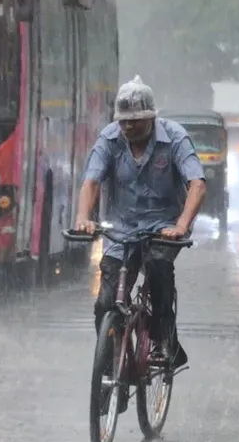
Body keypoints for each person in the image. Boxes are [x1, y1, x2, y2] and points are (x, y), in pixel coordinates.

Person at [74, 76, 206, 412]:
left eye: (136, 122)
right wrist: (83, 216)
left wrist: (181, 225)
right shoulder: (109, 138)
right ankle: (109, 372)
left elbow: (197, 184)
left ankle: (164, 339)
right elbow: (91, 181)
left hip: (163, 229)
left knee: (159, 269)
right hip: (122, 230)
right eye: (124, 123)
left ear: (151, 118)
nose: (129, 128)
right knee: (106, 303)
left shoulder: (174, 138)